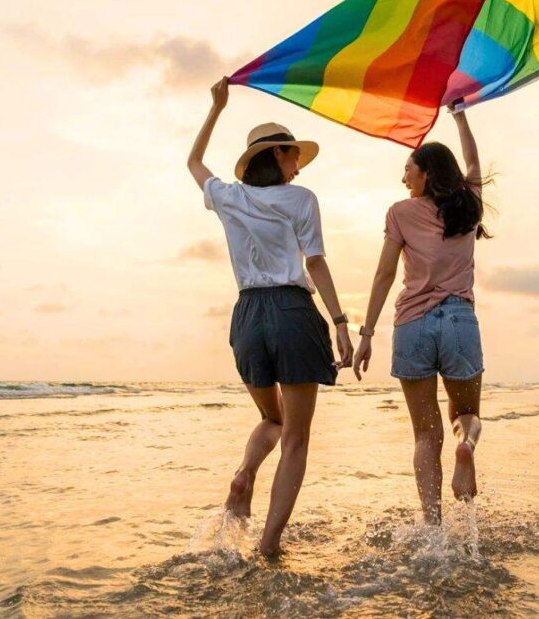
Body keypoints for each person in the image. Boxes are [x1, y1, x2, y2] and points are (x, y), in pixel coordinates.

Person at [187, 77, 354, 556]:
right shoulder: (301, 200)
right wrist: (340, 323)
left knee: (270, 418)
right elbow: (315, 263)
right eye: (294, 154)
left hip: (247, 317)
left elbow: (194, 163)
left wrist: (215, 108)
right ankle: (268, 546)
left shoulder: (229, 196)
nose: (299, 165)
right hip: (292, 311)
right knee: (296, 439)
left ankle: (244, 475)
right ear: (278, 154)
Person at [353, 106, 491, 525]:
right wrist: (461, 117)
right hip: (458, 321)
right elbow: (472, 163)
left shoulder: (399, 212)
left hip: (411, 325)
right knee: (465, 415)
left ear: (426, 172)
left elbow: (384, 273)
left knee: (424, 433)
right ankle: (465, 445)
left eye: (408, 169)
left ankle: (432, 528)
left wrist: (366, 333)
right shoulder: (469, 205)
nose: (403, 178)